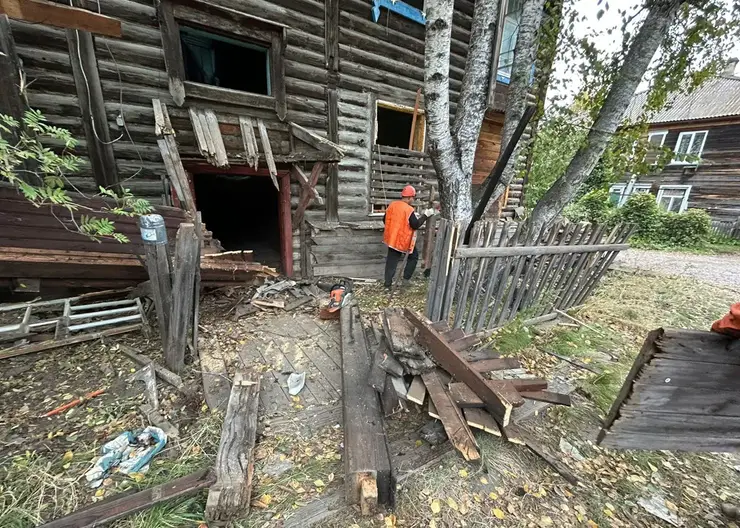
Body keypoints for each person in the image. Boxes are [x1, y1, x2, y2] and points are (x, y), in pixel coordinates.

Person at [382, 185, 435, 288]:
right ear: (410, 197)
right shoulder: (408, 209)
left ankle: (387, 284)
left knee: (391, 262)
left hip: (392, 238)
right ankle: (406, 280)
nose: (413, 200)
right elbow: (415, 225)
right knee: (414, 257)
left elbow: (385, 219)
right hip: (403, 240)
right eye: (413, 198)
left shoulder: (392, 205)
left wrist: (394, 228)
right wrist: (426, 215)